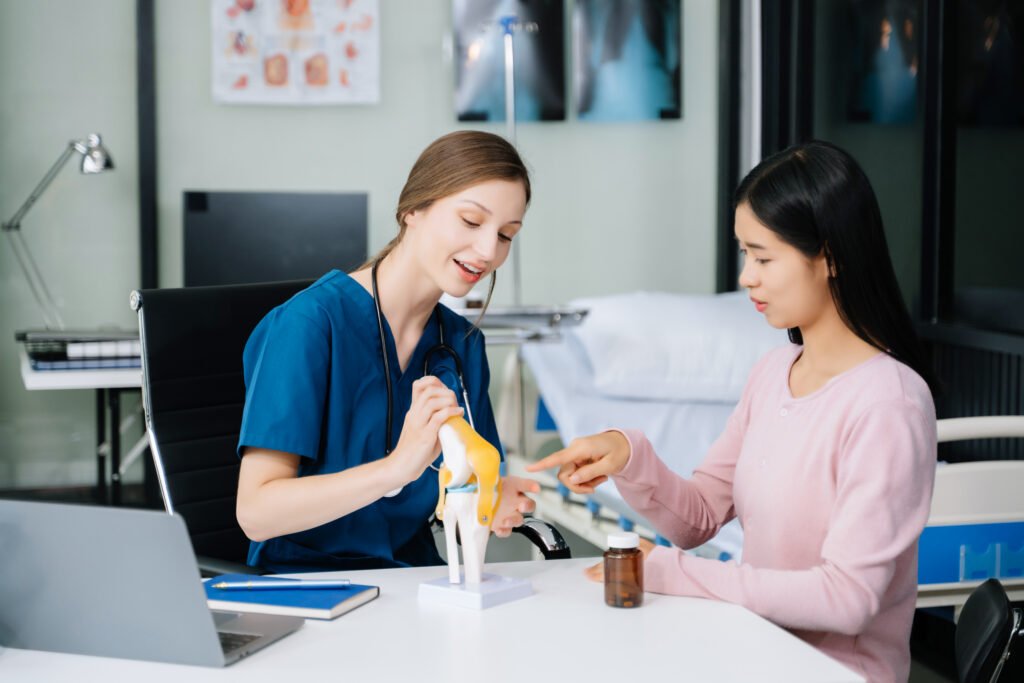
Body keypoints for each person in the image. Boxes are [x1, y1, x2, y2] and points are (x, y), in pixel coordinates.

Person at [528, 140, 937, 683]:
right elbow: (697, 519)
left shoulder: (889, 404)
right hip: (755, 652)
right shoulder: (772, 374)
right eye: (746, 254)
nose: (747, 276)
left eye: (764, 257)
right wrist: (628, 457)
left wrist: (669, 571)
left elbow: (848, 599)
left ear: (831, 256)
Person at [236, 130, 540, 573]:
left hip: (413, 581)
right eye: (472, 222)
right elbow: (256, 513)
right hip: (307, 586)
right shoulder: (308, 325)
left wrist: (488, 496)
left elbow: (458, 482)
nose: (488, 251)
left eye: (506, 235)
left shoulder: (462, 345)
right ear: (412, 210)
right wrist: (396, 468)